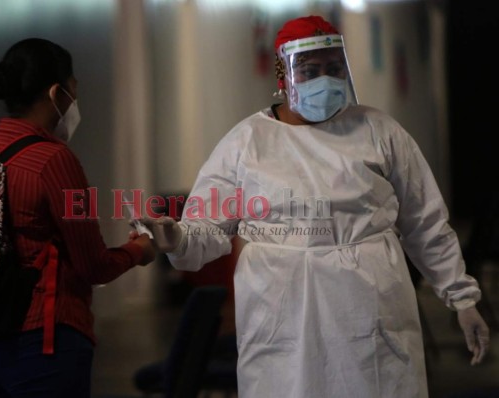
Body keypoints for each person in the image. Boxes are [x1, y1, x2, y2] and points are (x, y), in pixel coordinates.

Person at [139, 15, 490, 398]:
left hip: (368, 302)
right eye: (310, 70)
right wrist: (178, 238)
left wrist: (461, 298)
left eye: (334, 68)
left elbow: (425, 221)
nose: (325, 80)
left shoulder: (378, 130)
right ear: (283, 74)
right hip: (282, 307)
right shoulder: (247, 143)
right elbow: (206, 227)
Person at [0, 38, 155, 397]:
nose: (75, 102)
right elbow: (94, 266)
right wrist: (140, 248)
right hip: (43, 345)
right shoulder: (56, 161)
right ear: (56, 93)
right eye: (74, 91)